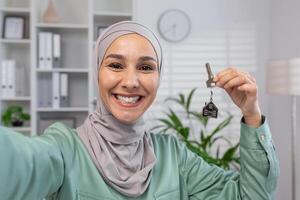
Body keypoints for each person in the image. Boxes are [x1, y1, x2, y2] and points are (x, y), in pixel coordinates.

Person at [0, 21, 279, 200]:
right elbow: (19, 165)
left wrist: (252, 114)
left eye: (146, 67)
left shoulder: (173, 156)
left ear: (158, 77)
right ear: (97, 73)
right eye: (115, 65)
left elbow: (251, 195)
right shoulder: (64, 148)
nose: (131, 82)